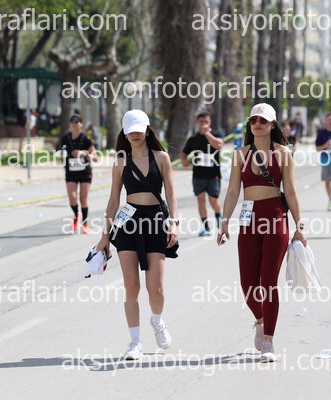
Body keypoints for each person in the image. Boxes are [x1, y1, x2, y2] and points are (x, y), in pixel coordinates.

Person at [217, 103, 306, 362]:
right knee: (248, 286)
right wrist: (224, 222)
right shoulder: (240, 154)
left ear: (272, 125)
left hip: (275, 217)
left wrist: (300, 226)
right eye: (254, 120)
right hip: (248, 219)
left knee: (268, 282)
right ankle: (260, 319)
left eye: (263, 120)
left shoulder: (283, 153)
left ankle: (268, 340)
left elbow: (291, 191)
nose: (257, 124)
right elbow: (232, 192)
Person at [96, 109, 179, 360]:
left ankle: (158, 321)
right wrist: (104, 235)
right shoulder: (120, 162)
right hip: (128, 224)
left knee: (156, 288)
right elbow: (113, 201)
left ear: (147, 130)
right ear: (124, 132)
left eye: (139, 130)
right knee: (131, 286)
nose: (135, 135)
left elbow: (171, 194)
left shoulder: (161, 158)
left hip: (155, 222)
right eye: (130, 131)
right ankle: (135, 342)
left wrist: (173, 224)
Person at [179, 112, 224, 236]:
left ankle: (218, 216)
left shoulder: (216, 134)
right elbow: (183, 153)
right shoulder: (193, 139)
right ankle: (206, 227)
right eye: (201, 121)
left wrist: (207, 133)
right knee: (200, 200)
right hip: (198, 175)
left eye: (206, 121)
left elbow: (219, 145)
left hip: (213, 174)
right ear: (197, 123)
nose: (204, 123)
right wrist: (184, 160)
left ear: (210, 122)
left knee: (213, 200)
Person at [59, 114, 98, 234]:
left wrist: (83, 154)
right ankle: (76, 216)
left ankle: (85, 224)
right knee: (72, 198)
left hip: (84, 172)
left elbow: (95, 157)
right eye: (72, 122)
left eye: (76, 122)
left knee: (83, 198)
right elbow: (61, 151)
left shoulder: (85, 139)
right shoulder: (66, 138)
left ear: (81, 124)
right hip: (71, 171)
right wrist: (62, 155)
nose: (74, 124)